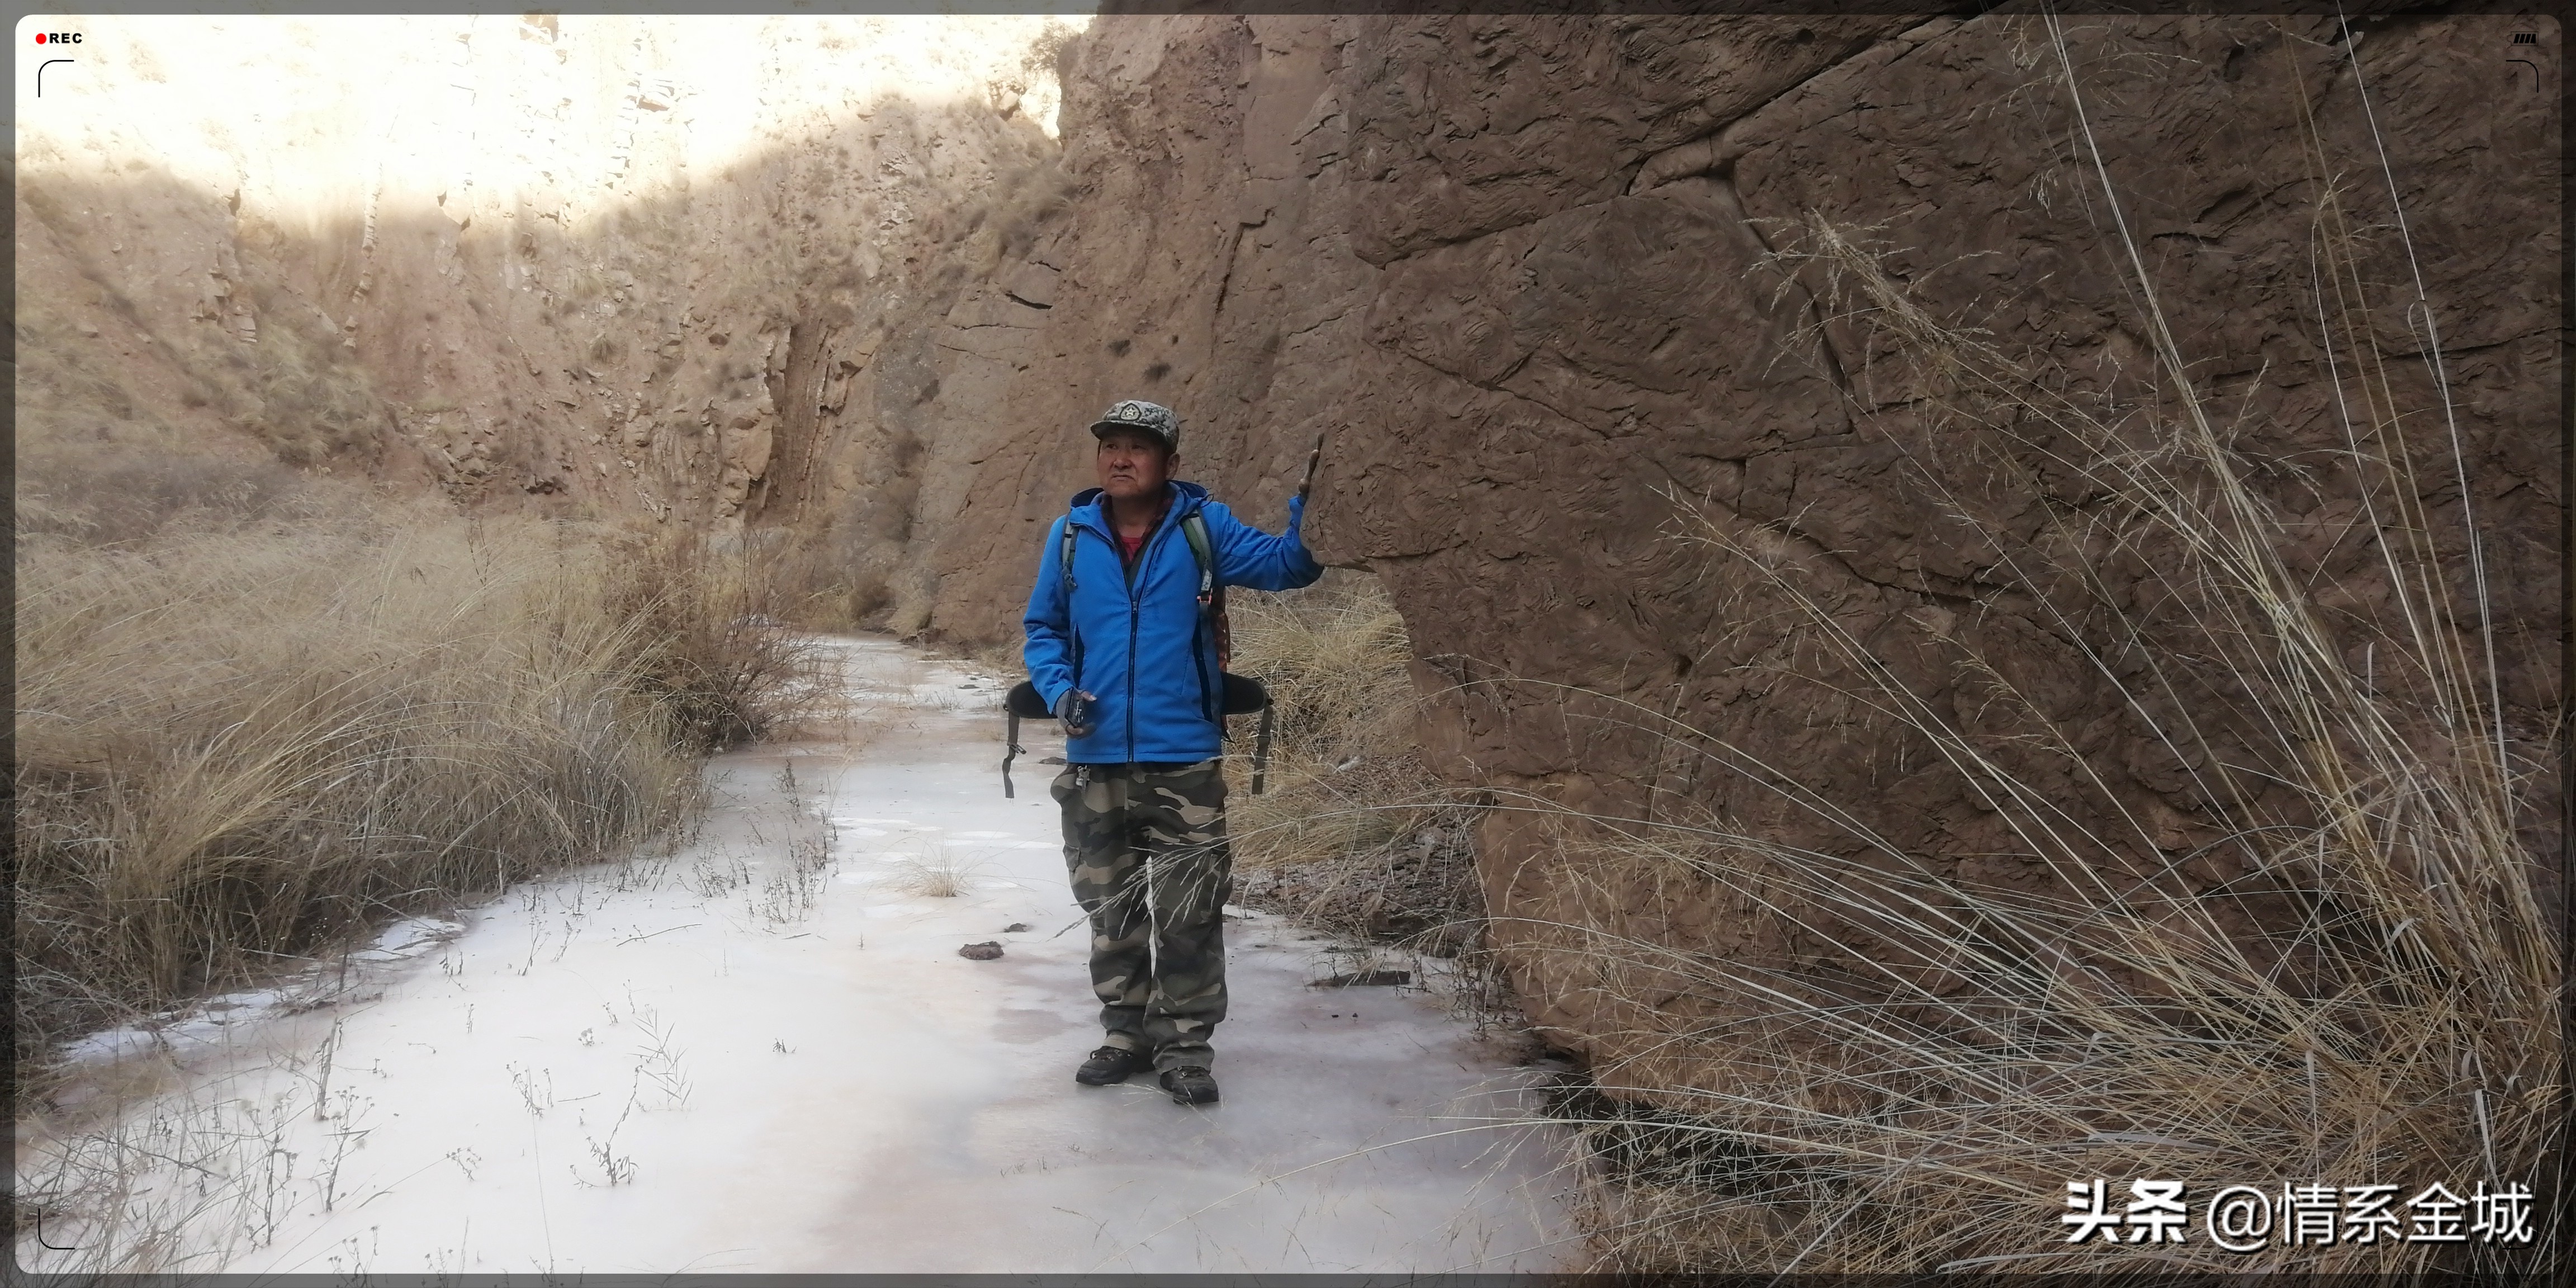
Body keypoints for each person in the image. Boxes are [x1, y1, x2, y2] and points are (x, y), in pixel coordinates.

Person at [1022, 399, 1323, 1105]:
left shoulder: (1202, 529)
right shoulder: (1070, 536)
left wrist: (1313, 508)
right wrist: (1059, 689)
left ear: (1171, 464)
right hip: (1095, 759)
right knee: (1110, 908)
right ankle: (1125, 1034)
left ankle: (1186, 1046)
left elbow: (1290, 567)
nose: (1120, 459)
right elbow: (1045, 627)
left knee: (1189, 912)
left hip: (1183, 759)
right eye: (1111, 447)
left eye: (1138, 448)